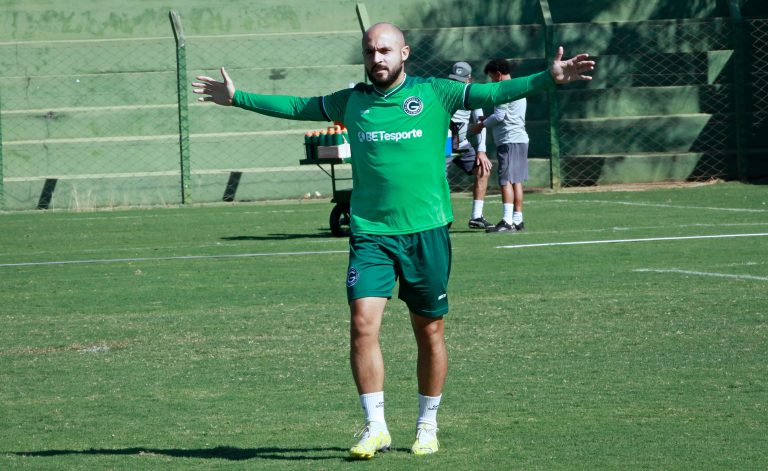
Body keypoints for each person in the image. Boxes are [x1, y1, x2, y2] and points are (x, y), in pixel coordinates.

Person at [191, 22, 594, 459]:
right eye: (369, 52)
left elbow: (490, 94)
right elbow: (296, 105)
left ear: (404, 53)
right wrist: (238, 98)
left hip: (427, 232)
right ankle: (375, 426)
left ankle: (427, 423)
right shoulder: (352, 102)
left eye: (385, 50)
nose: (377, 59)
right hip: (371, 235)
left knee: (430, 329)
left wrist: (546, 79)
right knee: (363, 324)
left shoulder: (436, 92)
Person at [472, 58, 529, 233]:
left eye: (491, 77)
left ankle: (507, 221)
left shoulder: (502, 89)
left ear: (498, 74)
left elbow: (500, 116)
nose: (491, 81)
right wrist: (486, 119)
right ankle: (518, 220)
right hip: (520, 138)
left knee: (505, 181)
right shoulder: (519, 87)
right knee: (516, 181)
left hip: (508, 140)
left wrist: (481, 125)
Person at [445, 62, 493, 229]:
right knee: (438, 180)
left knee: (483, 169)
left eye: (461, 80)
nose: (457, 84)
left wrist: (481, 151)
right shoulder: (444, 92)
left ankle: (476, 216)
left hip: (461, 143)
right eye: (454, 80)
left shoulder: (472, 95)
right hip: (444, 144)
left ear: (469, 79)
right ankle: (442, 217)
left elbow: (481, 122)